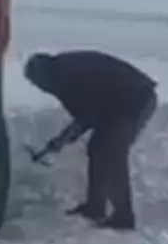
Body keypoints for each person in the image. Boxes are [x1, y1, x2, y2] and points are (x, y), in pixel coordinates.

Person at [24, 49, 159, 231]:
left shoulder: (69, 75)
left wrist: (62, 140)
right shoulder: (61, 75)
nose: (39, 88)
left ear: (43, 75)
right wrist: (63, 139)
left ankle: (124, 217)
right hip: (115, 104)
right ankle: (95, 207)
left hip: (136, 99)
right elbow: (86, 113)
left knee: (112, 153)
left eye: (37, 83)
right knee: (97, 148)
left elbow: (87, 115)